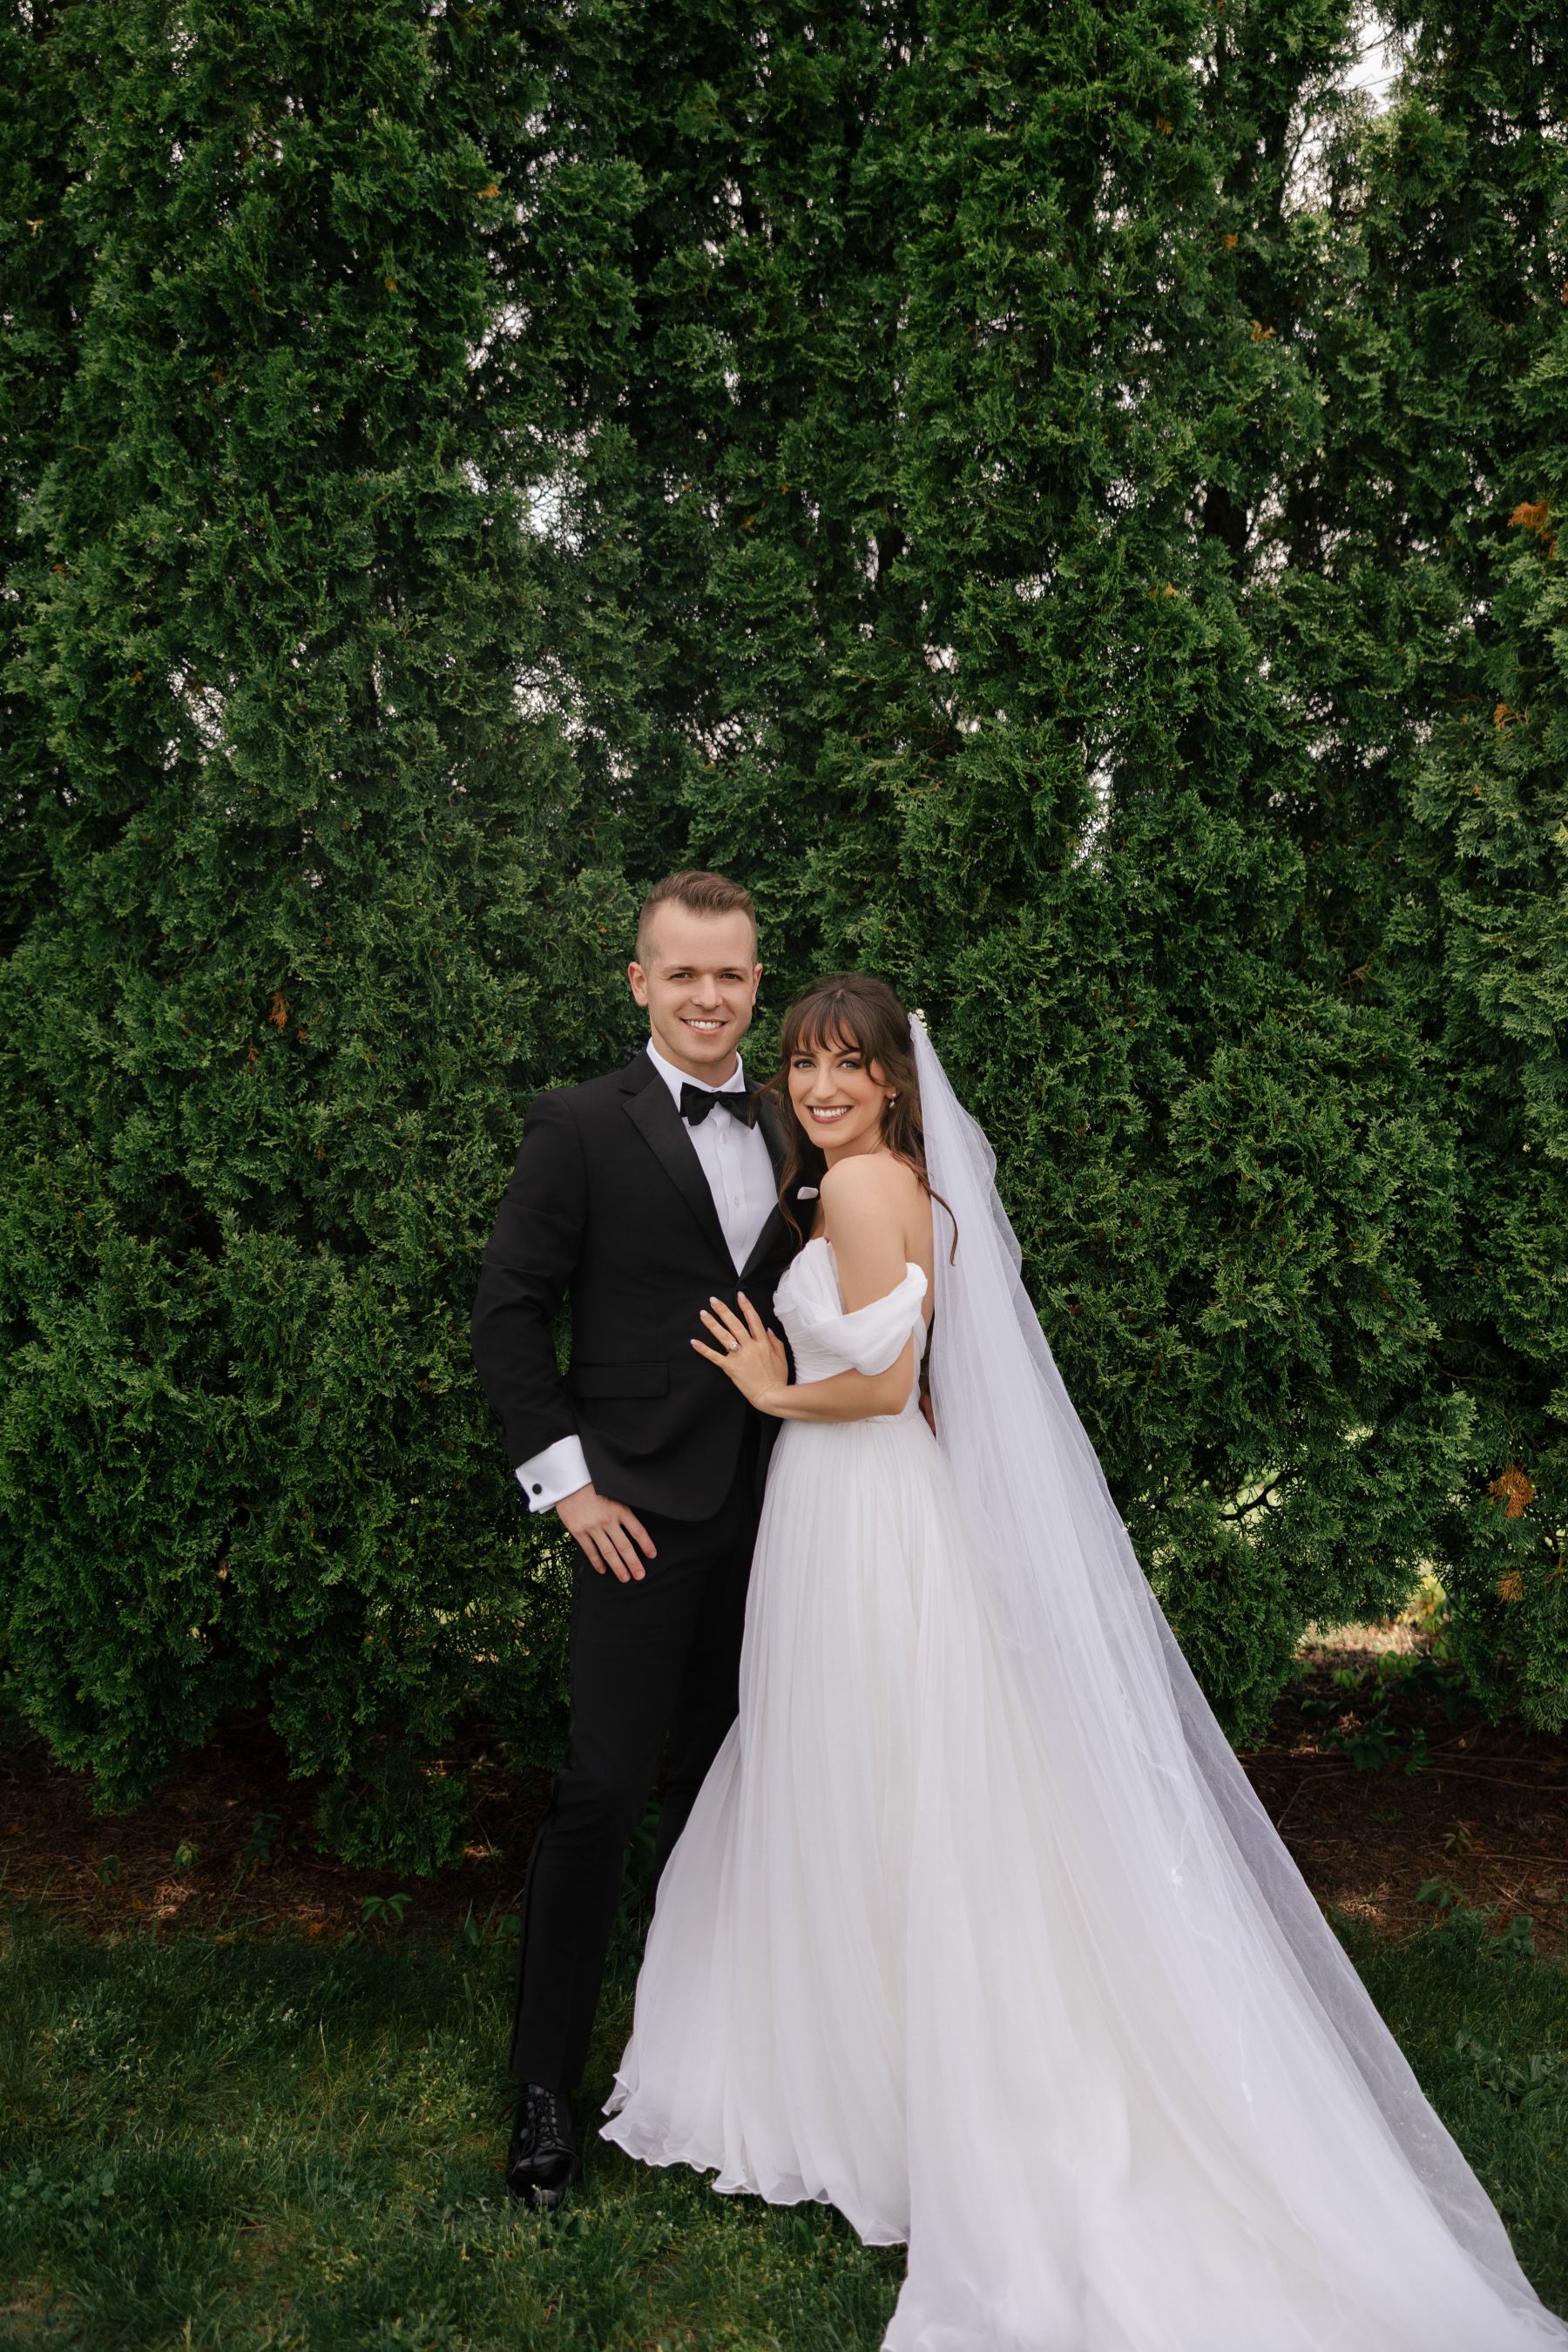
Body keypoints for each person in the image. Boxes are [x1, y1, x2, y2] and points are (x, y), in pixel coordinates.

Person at [602, 972, 1568, 2351]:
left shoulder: (863, 1187)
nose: (817, 1087)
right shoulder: (893, 1184)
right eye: (803, 1064)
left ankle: (878, 2088)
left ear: (890, 1082)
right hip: (871, 1502)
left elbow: (883, 1385)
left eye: (845, 1066)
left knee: (866, 1780)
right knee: (887, 1778)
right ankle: (883, 2069)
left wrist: (769, 1389)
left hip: (858, 1499)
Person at [470, 870, 807, 2209]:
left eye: (730, 974)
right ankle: (544, 2092)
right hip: (636, 1523)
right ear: (639, 983)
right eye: (683, 974)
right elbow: (510, 1310)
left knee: (730, 1796)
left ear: (756, 984)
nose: (707, 996)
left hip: (782, 1511)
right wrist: (571, 1490)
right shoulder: (577, 1124)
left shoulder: (798, 1121)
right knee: (601, 1792)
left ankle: (708, 2069)